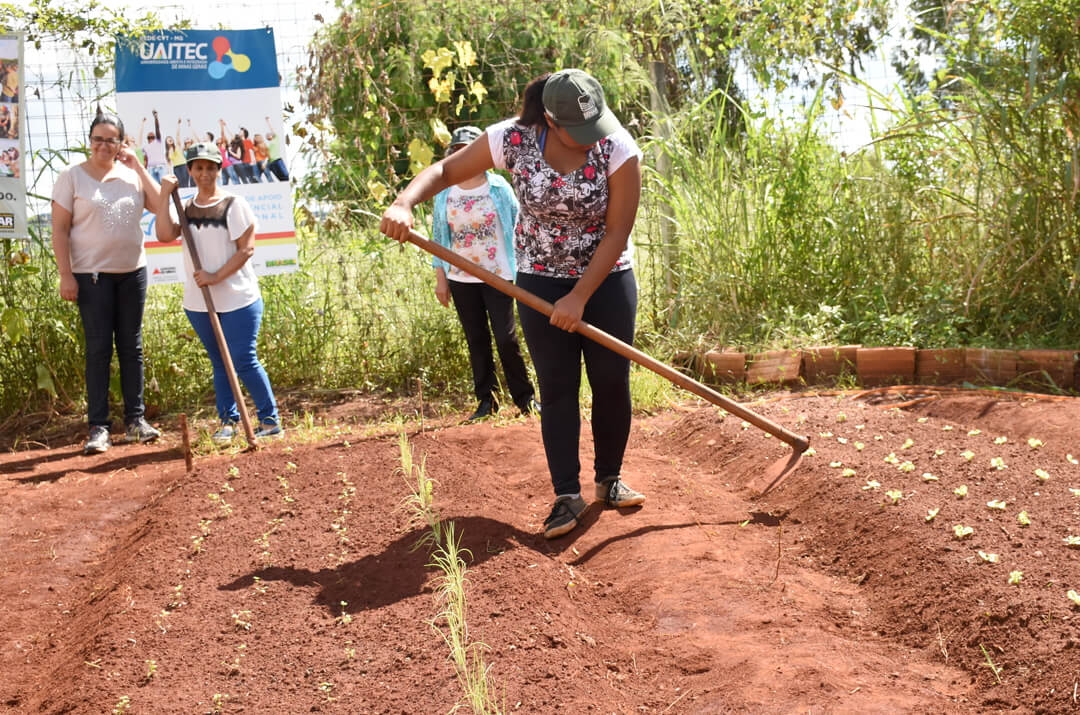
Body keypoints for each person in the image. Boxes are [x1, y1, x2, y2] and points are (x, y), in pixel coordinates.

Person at [381, 68, 645, 539]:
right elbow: (445, 171)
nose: (591, 138)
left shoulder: (618, 147)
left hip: (606, 279)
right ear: (549, 120)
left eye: (595, 126)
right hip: (539, 280)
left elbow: (617, 231)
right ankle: (566, 495)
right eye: (579, 130)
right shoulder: (513, 139)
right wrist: (405, 202)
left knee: (610, 380)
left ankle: (609, 479)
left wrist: (579, 296)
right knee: (557, 386)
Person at [154, 142, 283, 445]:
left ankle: (269, 421)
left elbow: (246, 249)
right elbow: (163, 234)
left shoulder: (234, 204)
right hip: (199, 303)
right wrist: (163, 196)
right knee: (220, 361)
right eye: (199, 167)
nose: (205, 173)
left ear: (218, 169)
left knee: (242, 358)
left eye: (210, 167)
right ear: (190, 171)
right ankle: (228, 423)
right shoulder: (184, 207)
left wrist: (215, 277)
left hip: (239, 298)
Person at [51, 108, 163, 454]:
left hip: (132, 273)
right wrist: (66, 274)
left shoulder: (132, 175)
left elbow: (159, 205)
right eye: (97, 139)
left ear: (121, 143)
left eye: (111, 140)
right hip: (91, 277)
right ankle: (98, 427)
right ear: (90, 141)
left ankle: (135, 421)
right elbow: (59, 229)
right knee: (99, 349)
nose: (103, 146)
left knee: (132, 347)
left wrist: (138, 166)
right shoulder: (72, 177)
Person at [431, 125, 537, 422]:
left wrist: (526, 270)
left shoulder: (499, 188)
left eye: (469, 150)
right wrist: (441, 279)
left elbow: (519, 227)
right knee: (476, 339)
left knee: (506, 338)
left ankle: (525, 398)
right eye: (457, 151)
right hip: (460, 278)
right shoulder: (445, 193)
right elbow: (439, 237)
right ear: (451, 155)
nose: (463, 156)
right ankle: (487, 402)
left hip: (498, 275)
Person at [139, 111, 169, 183]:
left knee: (164, 184)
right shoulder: (145, 147)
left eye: (152, 137)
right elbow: (145, 160)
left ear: (155, 137)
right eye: (149, 137)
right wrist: (142, 124)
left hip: (161, 166)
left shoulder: (158, 142)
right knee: (154, 185)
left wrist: (156, 118)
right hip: (150, 168)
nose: (151, 139)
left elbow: (157, 129)